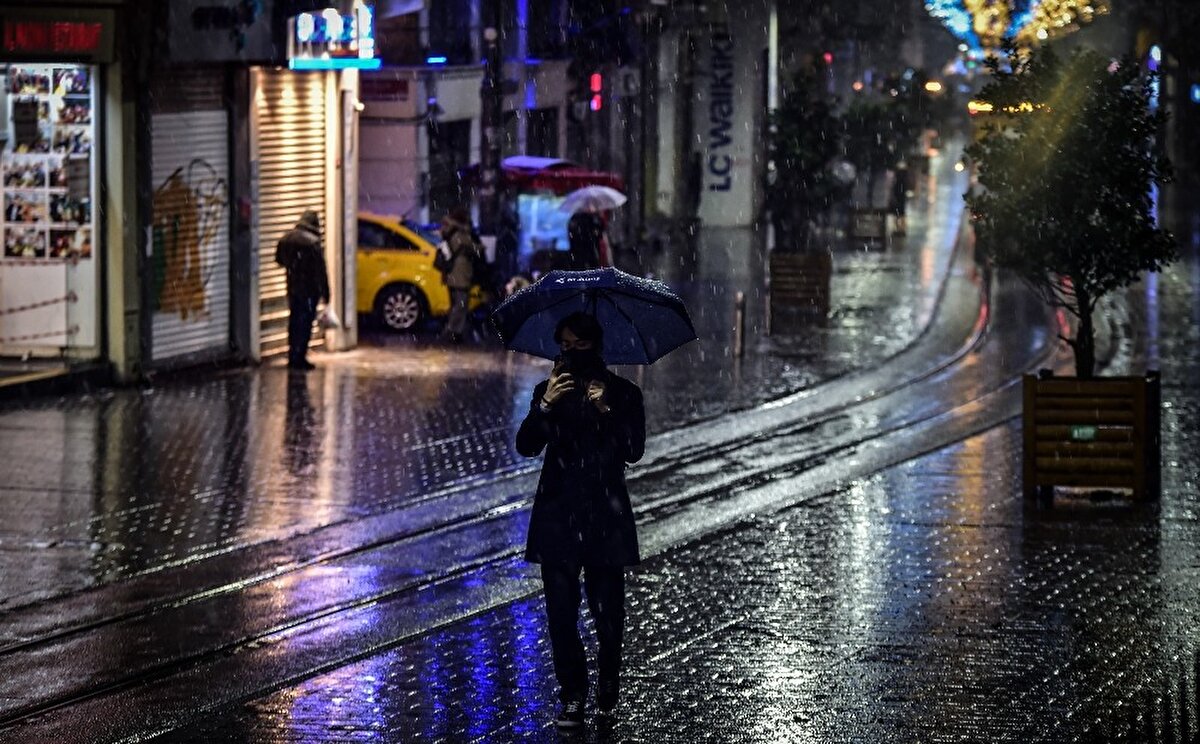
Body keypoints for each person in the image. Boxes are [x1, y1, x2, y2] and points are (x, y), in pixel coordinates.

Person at [515, 312, 646, 729]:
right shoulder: (548, 392)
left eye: (580, 347)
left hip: (605, 518)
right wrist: (546, 406)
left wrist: (605, 409)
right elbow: (526, 445)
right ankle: (572, 693)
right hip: (558, 517)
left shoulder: (624, 394)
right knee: (560, 614)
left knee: (608, 616)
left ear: (598, 348)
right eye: (564, 347)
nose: (571, 355)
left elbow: (632, 449)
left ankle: (608, 681)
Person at [275, 209, 330, 371]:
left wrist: (294, 267)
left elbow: (279, 260)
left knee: (294, 322)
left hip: (293, 288)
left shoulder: (287, 239)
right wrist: (326, 293)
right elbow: (321, 271)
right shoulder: (313, 243)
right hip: (310, 290)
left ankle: (293, 355)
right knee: (305, 324)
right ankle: (300, 357)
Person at [438, 206, 481, 344]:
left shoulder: (449, 231)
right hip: (461, 273)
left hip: (451, 273)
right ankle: (451, 331)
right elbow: (474, 248)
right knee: (461, 305)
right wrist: (481, 247)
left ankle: (456, 332)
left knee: (456, 304)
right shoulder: (460, 234)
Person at [890, 162, 910, 236]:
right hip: (900, 197)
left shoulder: (898, 180)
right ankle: (900, 228)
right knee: (900, 213)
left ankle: (899, 228)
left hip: (899, 197)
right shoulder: (903, 180)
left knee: (899, 214)